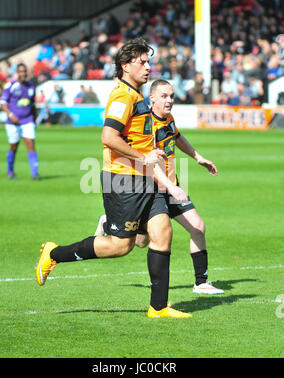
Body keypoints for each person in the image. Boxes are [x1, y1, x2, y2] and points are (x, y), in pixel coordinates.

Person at [35, 37, 192, 319]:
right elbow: (108, 136)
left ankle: (159, 307)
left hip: (146, 178)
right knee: (121, 246)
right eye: (142, 62)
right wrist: (142, 156)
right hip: (123, 181)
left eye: (148, 61)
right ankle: (54, 253)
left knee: (163, 232)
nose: (148, 66)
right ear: (125, 65)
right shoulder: (123, 96)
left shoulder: (137, 94)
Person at [95, 79, 224, 295]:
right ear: (152, 97)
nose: (169, 100)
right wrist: (168, 186)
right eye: (164, 96)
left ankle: (201, 282)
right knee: (142, 241)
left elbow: (178, 137)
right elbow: (144, 160)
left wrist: (198, 157)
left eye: (171, 96)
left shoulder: (169, 119)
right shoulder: (145, 124)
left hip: (171, 186)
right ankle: (109, 223)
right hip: (152, 188)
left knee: (198, 227)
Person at [0, 63, 40, 180]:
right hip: (13, 123)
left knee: (30, 144)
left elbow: (32, 105)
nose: (23, 74)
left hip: (27, 121)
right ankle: (10, 170)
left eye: (24, 71)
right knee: (14, 146)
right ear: (17, 73)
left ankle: (35, 173)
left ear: (27, 73)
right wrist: (11, 115)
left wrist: (34, 120)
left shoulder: (31, 87)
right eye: (20, 72)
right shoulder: (10, 85)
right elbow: (3, 103)